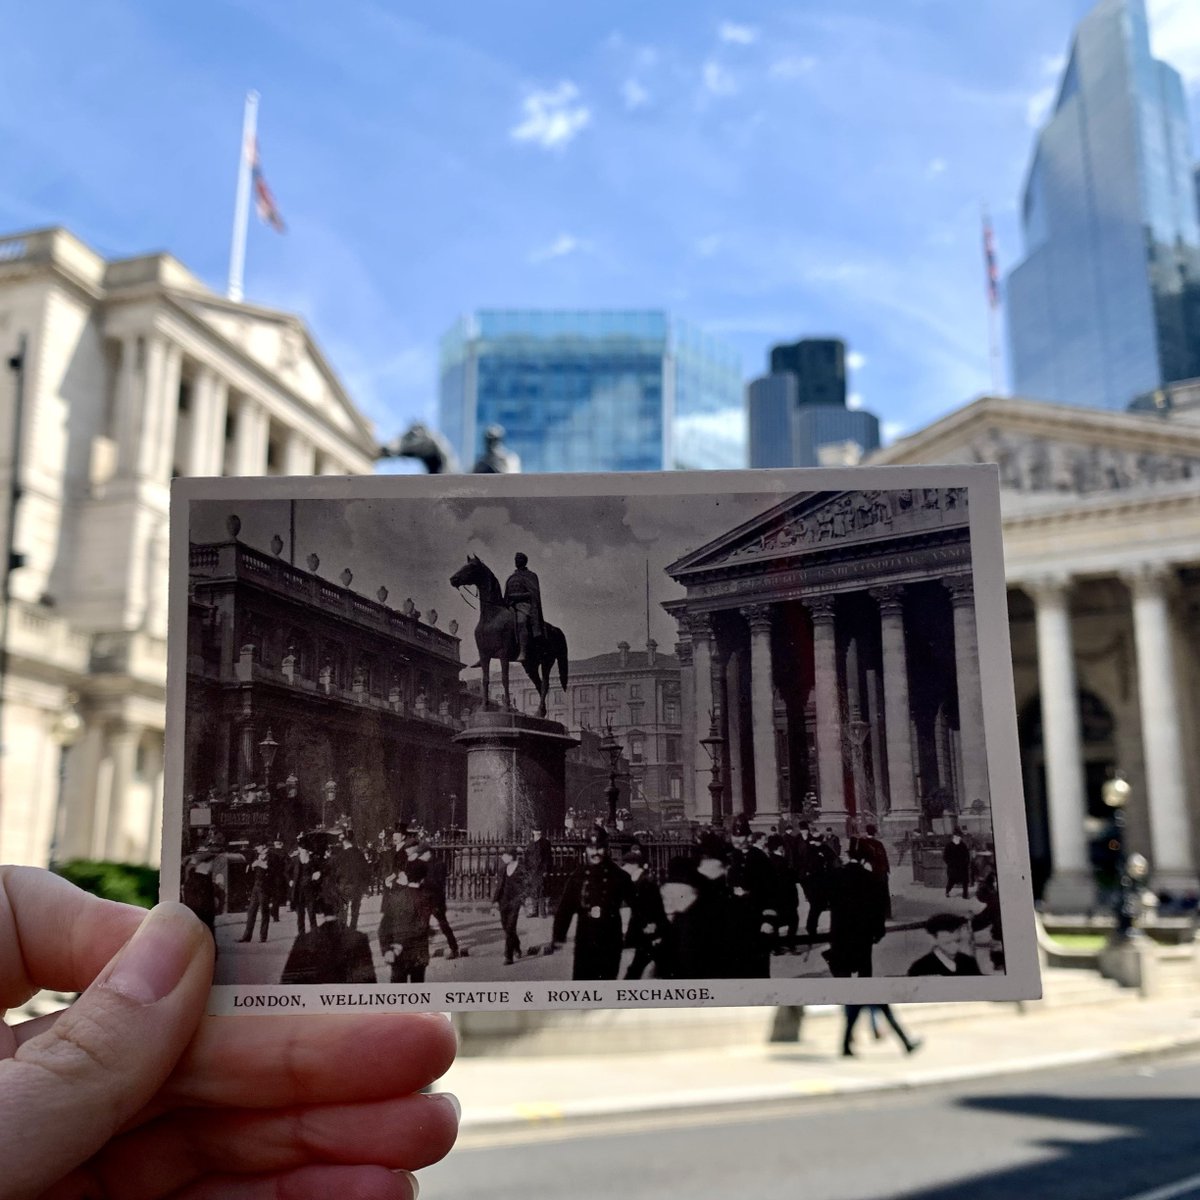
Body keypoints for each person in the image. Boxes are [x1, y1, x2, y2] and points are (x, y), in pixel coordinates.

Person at [0, 866, 458, 1200]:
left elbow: (291, 983)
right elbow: (365, 985)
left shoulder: (305, 940)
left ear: (314, 917)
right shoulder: (353, 939)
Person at [552, 830, 633, 980]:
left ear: (606, 848)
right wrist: (559, 935)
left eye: (600, 848)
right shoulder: (578, 876)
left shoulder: (619, 876)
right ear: (586, 849)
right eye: (591, 848)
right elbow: (565, 908)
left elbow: (638, 905)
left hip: (610, 938)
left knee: (606, 985)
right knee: (582, 983)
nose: (595, 852)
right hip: (585, 937)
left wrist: (634, 935)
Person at [281, 877, 376, 985]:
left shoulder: (303, 941)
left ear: (320, 908)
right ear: (343, 907)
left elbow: (289, 984)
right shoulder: (359, 939)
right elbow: (368, 984)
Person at [825, 846, 888, 978]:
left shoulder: (835, 876)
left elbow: (828, 899)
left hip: (840, 929)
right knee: (864, 965)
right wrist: (879, 930)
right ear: (863, 860)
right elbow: (879, 907)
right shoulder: (872, 878)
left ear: (848, 858)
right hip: (864, 931)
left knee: (842, 967)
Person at [378, 861, 435, 984]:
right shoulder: (426, 898)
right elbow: (421, 926)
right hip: (418, 953)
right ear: (423, 879)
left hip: (397, 951)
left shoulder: (396, 897)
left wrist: (387, 948)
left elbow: (384, 926)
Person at [621, 848, 665, 979]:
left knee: (638, 965)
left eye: (625, 864)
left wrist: (650, 924)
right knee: (643, 962)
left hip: (647, 929)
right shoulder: (636, 881)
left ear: (633, 865)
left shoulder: (645, 881)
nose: (623, 868)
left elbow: (652, 906)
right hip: (644, 929)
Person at [907, 913, 983, 975]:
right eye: (948, 943)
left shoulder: (969, 962)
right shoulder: (919, 968)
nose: (955, 947)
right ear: (934, 939)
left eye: (957, 941)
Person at [418, 844, 460, 959]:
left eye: (421, 855)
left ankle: (454, 949)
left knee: (443, 925)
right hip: (425, 900)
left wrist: (423, 882)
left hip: (437, 900)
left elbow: (439, 883)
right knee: (423, 926)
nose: (419, 857)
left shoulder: (439, 864)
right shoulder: (423, 864)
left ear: (428, 853)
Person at [503, 551, 544, 663]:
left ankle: (523, 651)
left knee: (521, 621)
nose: (516, 561)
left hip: (524, 605)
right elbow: (506, 595)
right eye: (516, 559)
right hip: (511, 606)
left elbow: (533, 594)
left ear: (524, 561)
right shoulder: (511, 577)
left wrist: (517, 596)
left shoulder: (531, 576)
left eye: (519, 559)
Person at [842, 1005, 921, 1057]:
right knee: (890, 1018)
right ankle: (907, 1044)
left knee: (851, 1021)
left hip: (863, 991)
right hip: (872, 992)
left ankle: (845, 1048)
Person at [493, 848, 527, 965]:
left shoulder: (522, 868)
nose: (502, 858)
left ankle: (508, 956)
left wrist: (523, 899)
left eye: (504, 856)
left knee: (510, 927)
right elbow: (499, 887)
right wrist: (496, 901)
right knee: (506, 927)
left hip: (514, 901)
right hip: (503, 901)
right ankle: (517, 947)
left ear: (511, 856)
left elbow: (527, 885)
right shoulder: (502, 869)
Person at [238, 842, 272, 944]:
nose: (256, 848)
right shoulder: (256, 856)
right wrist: (253, 865)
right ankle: (247, 936)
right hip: (255, 887)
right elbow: (249, 870)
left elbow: (273, 870)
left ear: (264, 846)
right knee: (251, 911)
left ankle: (263, 936)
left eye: (258, 846)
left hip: (265, 887)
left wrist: (261, 864)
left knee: (264, 912)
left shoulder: (271, 856)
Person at [523, 826, 553, 917]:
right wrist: (527, 869)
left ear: (541, 832)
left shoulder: (545, 843)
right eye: (535, 831)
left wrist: (546, 870)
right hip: (532, 870)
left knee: (541, 890)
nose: (537, 832)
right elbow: (526, 857)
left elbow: (548, 858)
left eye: (538, 830)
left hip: (541, 870)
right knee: (533, 890)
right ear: (533, 832)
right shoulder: (530, 844)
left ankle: (542, 911)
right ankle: (534, 911)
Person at [943, 829, 972, 899]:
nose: (959, 838)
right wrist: (949, 863)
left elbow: (967, 855)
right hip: (953, 867)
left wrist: (966, 863)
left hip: (962, 867)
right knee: (951, 880)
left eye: (960, 836)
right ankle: (947, 891)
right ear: (954, 837)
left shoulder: (963, 845)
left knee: (965, 881)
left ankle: (965, 895)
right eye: (957, 836)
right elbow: (945, 856)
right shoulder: (949, 845)